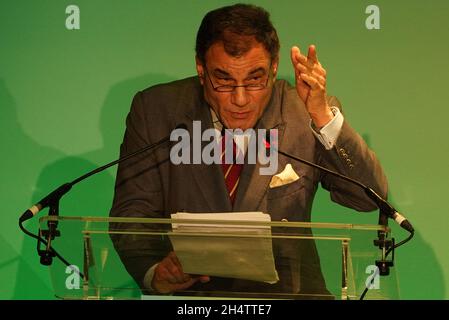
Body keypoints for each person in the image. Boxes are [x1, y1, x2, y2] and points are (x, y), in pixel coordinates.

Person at [110, 3, 387, 298]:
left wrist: (321, 116)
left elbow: (367, 197)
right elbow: (133, 212)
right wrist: (154, 271)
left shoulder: (302, 112)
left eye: (255, 79)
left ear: (274, 66)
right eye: (224, 80)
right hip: (196, 301)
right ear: (201, 70)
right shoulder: (156, 111)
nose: (240, 99)